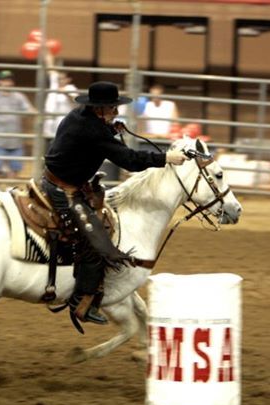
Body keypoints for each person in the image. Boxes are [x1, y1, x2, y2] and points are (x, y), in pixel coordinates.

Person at [42, 81, 195, 330]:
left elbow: (90, 141)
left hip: (57, 180)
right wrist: (166, 157)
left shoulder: (78, 116)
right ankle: (83, 301)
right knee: (97, 241)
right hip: (64, 190)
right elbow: (129, 160)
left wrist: (111, 130)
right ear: (99, 109)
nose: (116, 111)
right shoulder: (94, 130)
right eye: (112, 107)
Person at [42, 52, 78, 148]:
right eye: (59, 78)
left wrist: (66, 93)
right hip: (49, 128)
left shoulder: (71, 88)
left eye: (62, 79)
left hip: (64, 130)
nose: (59, 80)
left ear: (68, 79)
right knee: (46, 155)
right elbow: (50, 66)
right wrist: (48, 50)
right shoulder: (54, 83)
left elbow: (76, 100)